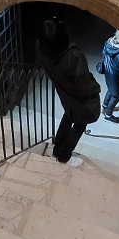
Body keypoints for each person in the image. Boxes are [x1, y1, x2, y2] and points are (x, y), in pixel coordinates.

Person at [36, 17, 101, 166]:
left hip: (64, 92)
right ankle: (64, 155)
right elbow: (84, 84)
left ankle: (57, 148)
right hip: (81, 98)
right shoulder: (73, 55)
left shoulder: (40, 48)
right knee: (80, 124)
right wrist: (96, 89)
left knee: (68, 116)